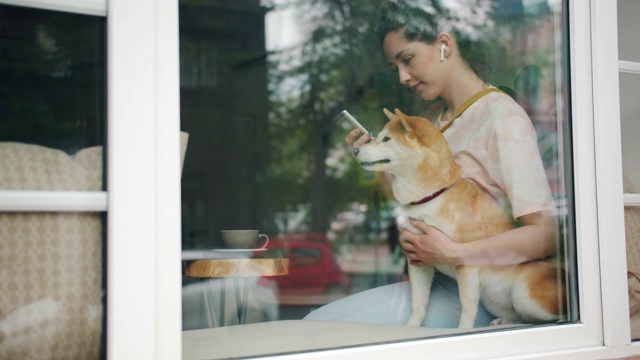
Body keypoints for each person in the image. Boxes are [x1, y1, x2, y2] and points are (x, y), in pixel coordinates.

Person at [304, 0, 558, 328]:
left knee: (322, 328)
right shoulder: (429, 121)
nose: (402, 77)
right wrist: (379, 158)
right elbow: (407, 203)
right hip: (435, 280)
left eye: (407, 60)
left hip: (486, 291)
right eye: (395, 67)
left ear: (444, 44)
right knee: (319, 324)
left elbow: (545, 235)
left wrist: (454, 252)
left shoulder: (502, 118)